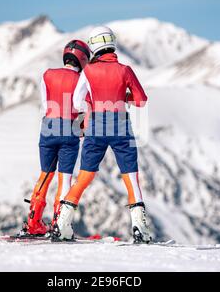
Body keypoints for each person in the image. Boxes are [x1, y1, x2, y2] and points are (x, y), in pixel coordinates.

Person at [52, 26, 152, 243]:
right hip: (120, 125)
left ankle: (62, 224)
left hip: (95, 126)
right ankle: (140, 228)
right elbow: (141, 100)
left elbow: (78, 102)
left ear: (95, 45)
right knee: (130, 176)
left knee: (84, 177)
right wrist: (125, 98)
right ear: (112, 43)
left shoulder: (88, 72)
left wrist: (92, 102)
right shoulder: (125, 70)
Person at [24, 40, 91, 236]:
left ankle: (33, 221)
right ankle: (59, 224)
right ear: (83, 59)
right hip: (69, 128)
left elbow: (45, 105)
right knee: (65, 178)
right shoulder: (81, 79)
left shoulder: (47, 75)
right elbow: (79, 105)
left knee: (45, 174)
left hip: (48, 127)